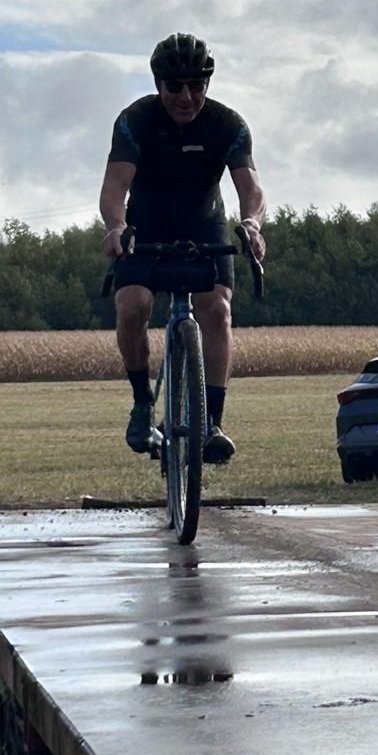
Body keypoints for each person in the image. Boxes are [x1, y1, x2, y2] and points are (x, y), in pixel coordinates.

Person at [99, 32, 266, 464]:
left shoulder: (227, 125)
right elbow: (115, 187)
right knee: (133, 304)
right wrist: (116, 227)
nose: (186, 97)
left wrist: (251, 224)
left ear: (207, 84)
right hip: (145, 227)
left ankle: (212, 423)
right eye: (175, 87)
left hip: (204, 226)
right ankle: (142, 403)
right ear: (159, 84)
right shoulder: (135, 120)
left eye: (196, 85)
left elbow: (250, 187)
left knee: (217, 310)